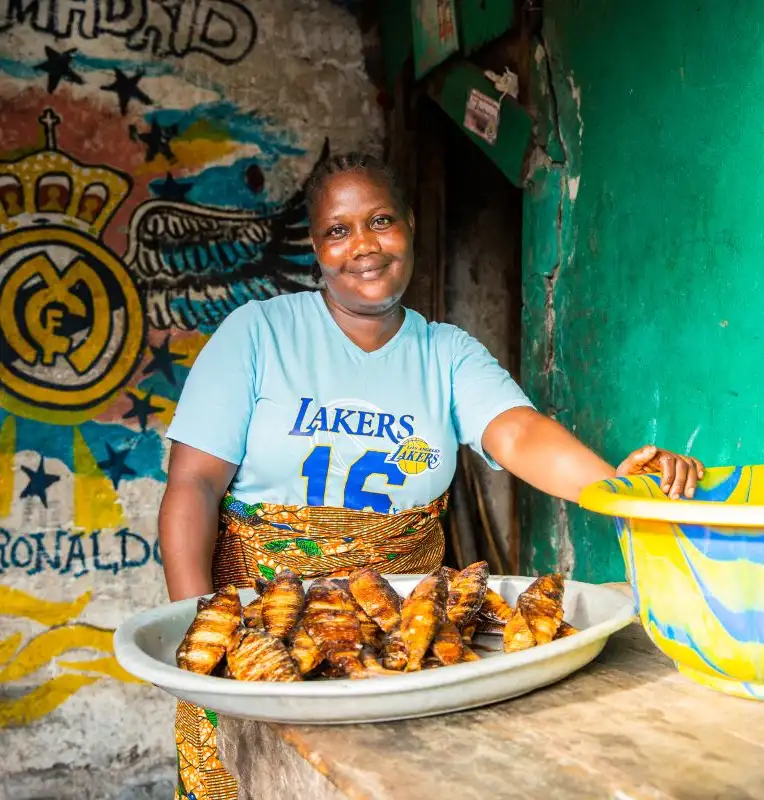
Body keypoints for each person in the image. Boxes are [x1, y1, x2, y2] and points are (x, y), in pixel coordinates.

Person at [158, 152, 704, 800]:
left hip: (401, 653)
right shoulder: (260, 333)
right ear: (315, 246)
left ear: (410, 225)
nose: (362, 245)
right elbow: (192, 486)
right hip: (260, 647)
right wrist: (203, 645)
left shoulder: (446, 353)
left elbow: (519, 432)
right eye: (338, 229)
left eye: (380, 220)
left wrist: (620, 488)